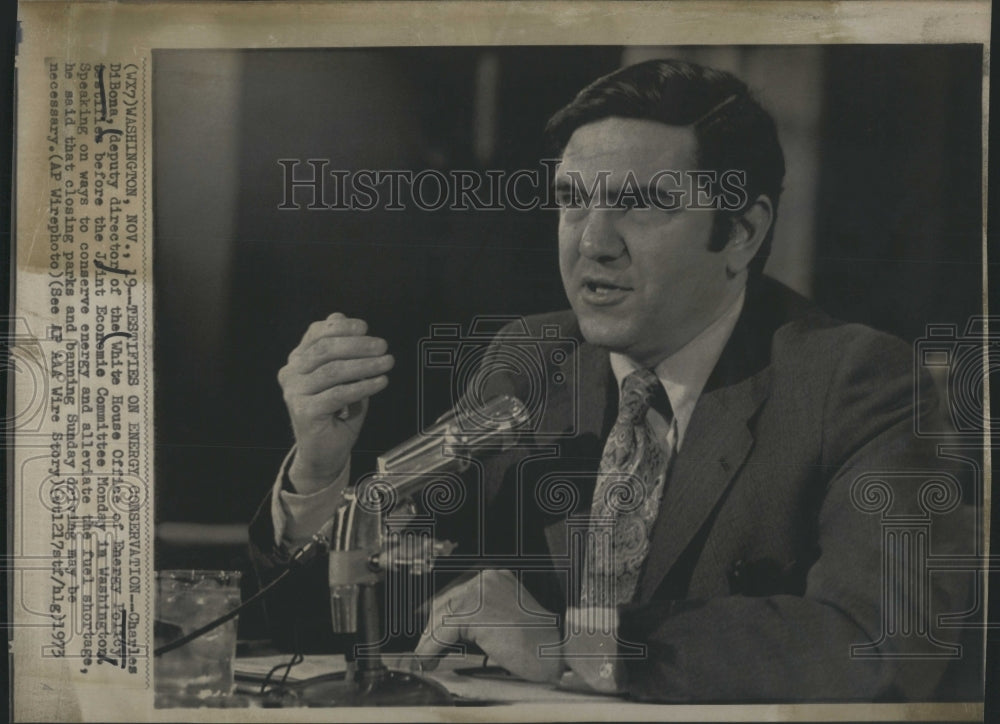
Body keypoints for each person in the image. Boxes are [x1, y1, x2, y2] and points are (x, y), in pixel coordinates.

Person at [249, 59, 975, 701]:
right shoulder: (530, 361)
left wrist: (582, 645)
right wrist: (320, 472)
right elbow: (348, 627)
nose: (592, 242)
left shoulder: (861, 381)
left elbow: (885, 644)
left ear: (742, 233)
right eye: (574, 200)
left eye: (640, 203)